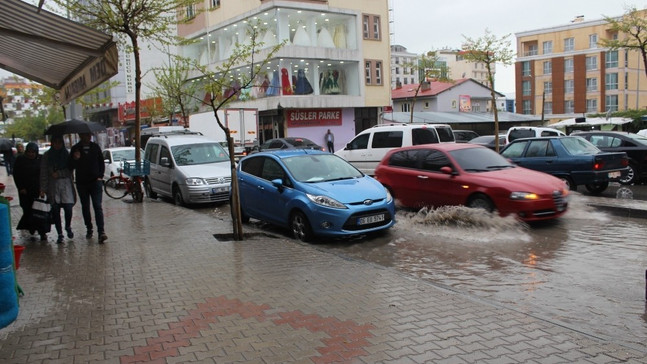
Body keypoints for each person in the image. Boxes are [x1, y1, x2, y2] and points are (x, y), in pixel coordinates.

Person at [69, 132, 107, 243]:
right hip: (82, 183)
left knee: (97, 206)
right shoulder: (76, 149)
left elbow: (101, 162)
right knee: (85, 207)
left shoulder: (95, 147)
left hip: (95, 182)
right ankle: (89, 228)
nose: (87, 137)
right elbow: (70, 166)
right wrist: (75, 158)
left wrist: (100, 176)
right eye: (85, 135)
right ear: (81, 136)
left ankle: (101, 231)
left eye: (89, 135)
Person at [40, 136, 76, 244]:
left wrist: (59, 173)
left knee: (68, 208)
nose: (57, 145)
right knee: (55, 210)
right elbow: (44, 173)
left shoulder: (67, 155)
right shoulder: (47, 156)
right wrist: (43, 188)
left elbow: (71, 170)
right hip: (53, 187)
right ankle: (60, 233)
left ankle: (68, 226)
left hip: (66, 185)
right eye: (55, 143)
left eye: (59, 142)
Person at [13, 142, 47, 240]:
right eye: (29, 152)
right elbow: (16, 174)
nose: (31, 154)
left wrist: (43, 188)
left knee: (40, 212)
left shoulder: (41, 159)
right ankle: (31, 227)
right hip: (26, 191)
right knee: (28, 210)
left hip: (38, 190)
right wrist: (21, 187)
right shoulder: (20, 160)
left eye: (33, 152)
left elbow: (44, 174)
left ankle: (42, 232)